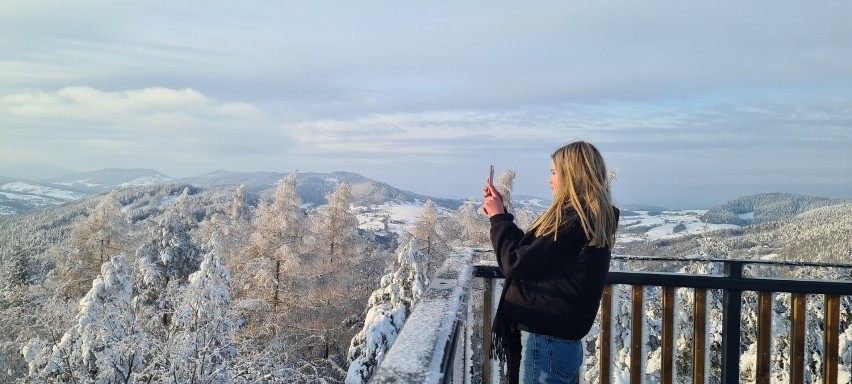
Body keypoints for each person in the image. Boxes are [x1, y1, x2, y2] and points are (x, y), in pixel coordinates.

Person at [482, 141, 619, 383]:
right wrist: (500, 215)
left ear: (572, 176)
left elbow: (515, 262)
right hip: (555, 342)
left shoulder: (574, 222)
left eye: (554, 172)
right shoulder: (587, 220)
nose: (549, 179)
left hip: (545, 344)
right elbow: (533, 255)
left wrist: (498, 218)